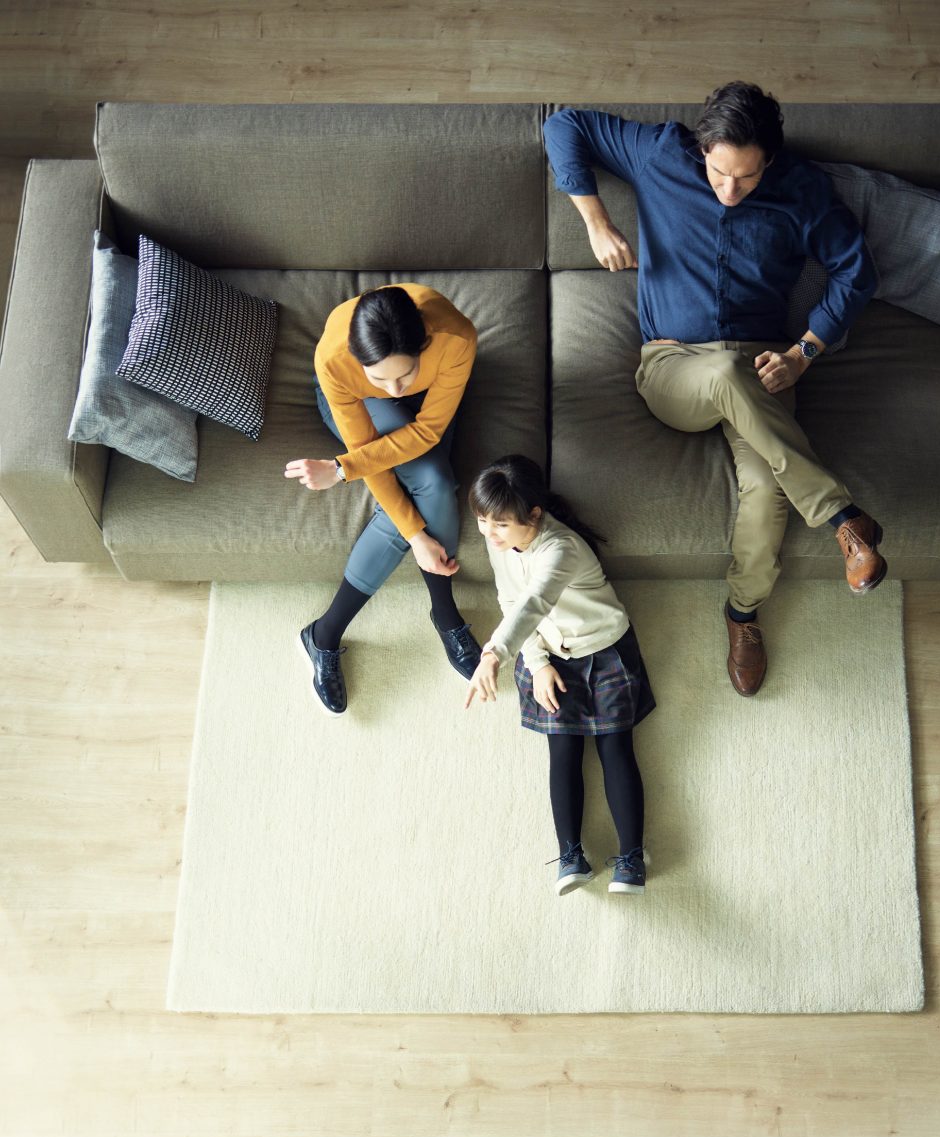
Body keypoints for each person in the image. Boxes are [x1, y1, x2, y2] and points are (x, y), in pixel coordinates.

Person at [544, 84, 886, 697]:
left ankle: (743, 614)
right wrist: (596, 220)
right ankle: (840, 516)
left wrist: (803, 355)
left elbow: (856, 270)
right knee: (726, 377)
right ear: (701, 148)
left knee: (767, 494)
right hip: (675, 369)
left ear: (770, 162)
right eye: (718, 172)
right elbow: (564, 124)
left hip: (765, 367)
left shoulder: (803, 190)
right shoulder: (660, 154)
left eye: (747, 178)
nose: (728, 190)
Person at [284, 282, 482, 714]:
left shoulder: (455, 339)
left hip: (432, 405)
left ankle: (323, 635)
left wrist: (340, 470)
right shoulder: (335, 361)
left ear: (423, 345)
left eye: (404, 374)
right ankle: (445, 616)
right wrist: (416, 533)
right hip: (356, 404)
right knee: (432, 478)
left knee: (429, 473)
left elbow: (426, 431)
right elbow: (368, 454)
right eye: (382, 377)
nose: (395, 389)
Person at [464, 454, 654, 895]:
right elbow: (511, 602)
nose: (488, 535)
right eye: (481, 522)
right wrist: (539, 664)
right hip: (545, 652)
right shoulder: (499, 545)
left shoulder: (561, 547)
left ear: (533, 514)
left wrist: (492, 654)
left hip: (604, 648)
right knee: (562, 750)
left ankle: (631, 858)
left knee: (615, 747)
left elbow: (535, 602)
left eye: (499, 525)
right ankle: (571, 855)